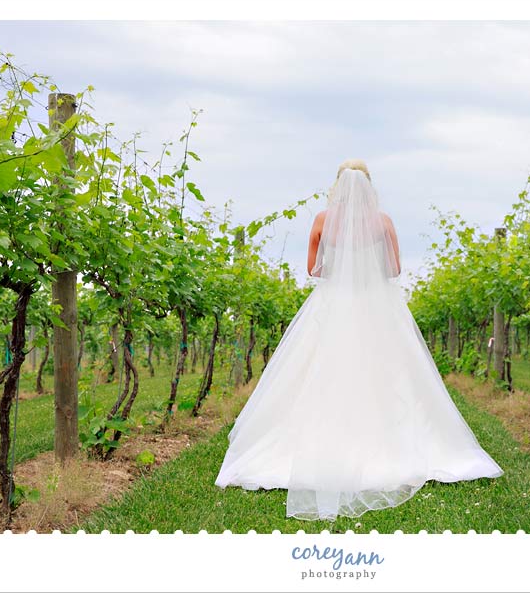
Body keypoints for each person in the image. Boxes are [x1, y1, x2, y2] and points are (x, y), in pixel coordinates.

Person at [214, 159, 504, 521]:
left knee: (324, 372)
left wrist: (339, 267)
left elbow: (312, 270)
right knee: (385, 370)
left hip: (333, 302)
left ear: (337, 186)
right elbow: (395, 270)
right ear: (369, 186)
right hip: (375, 302)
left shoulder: (322, 220)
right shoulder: (382, 222)